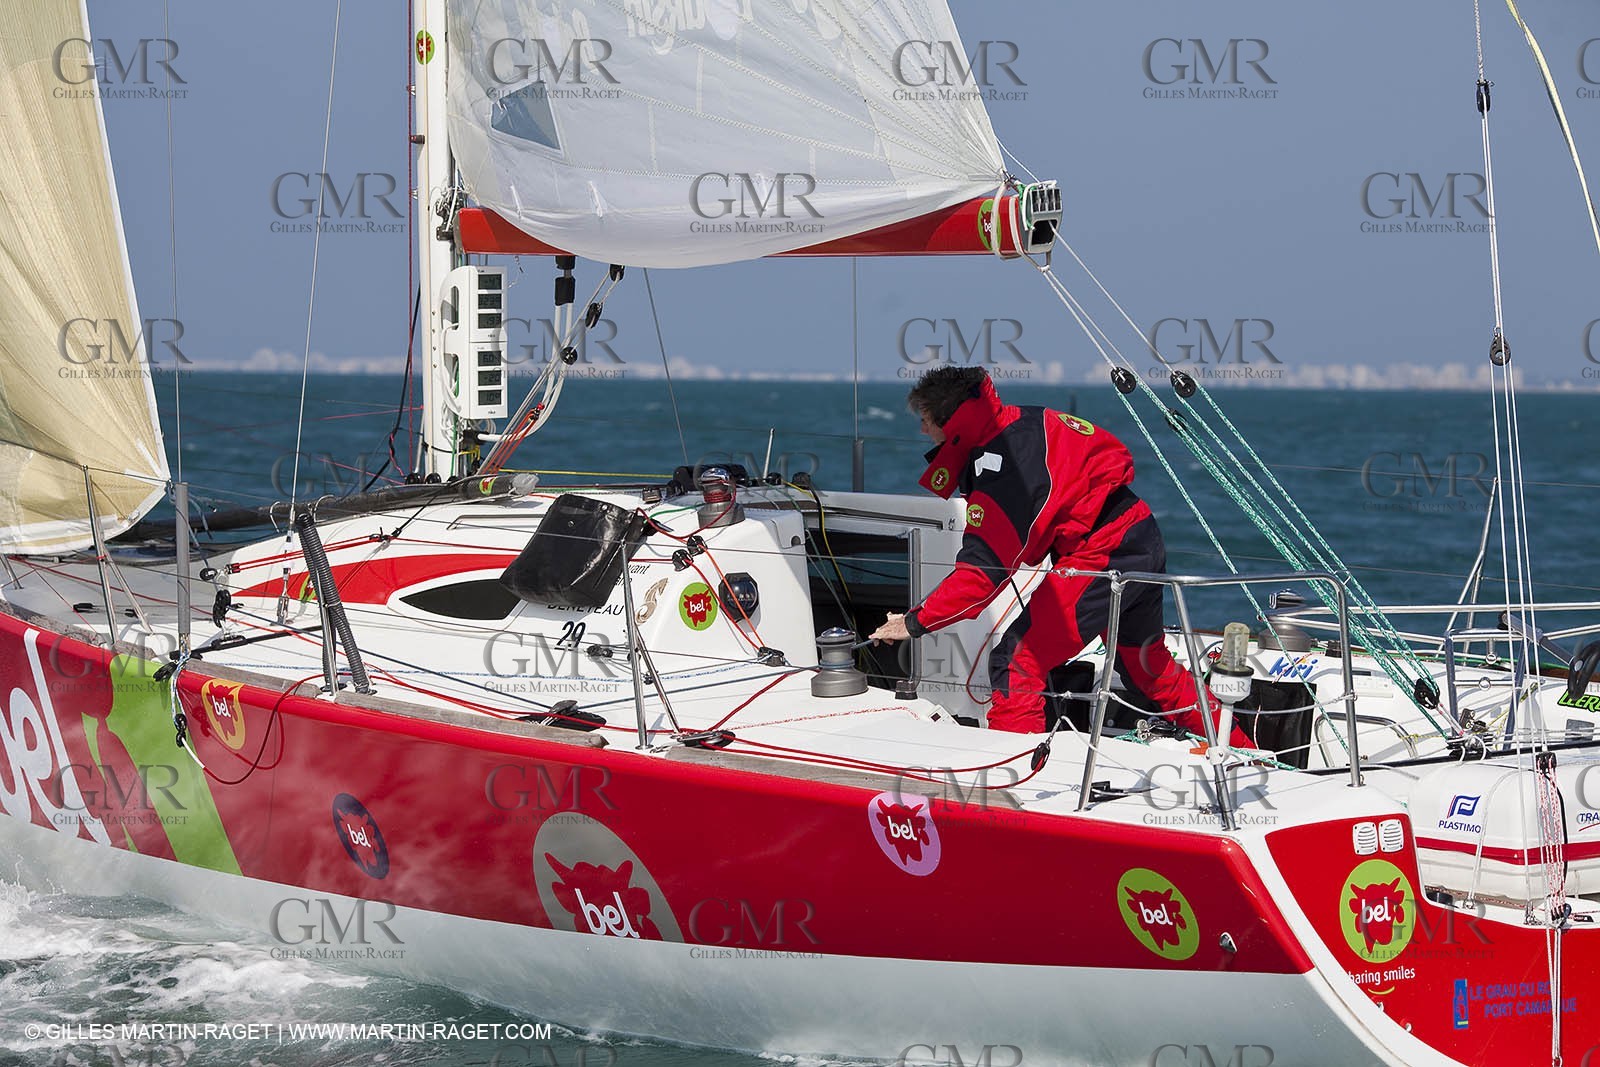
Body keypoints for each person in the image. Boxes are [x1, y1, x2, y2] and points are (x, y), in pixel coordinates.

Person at [870, 366, 1247, 744]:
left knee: (1016, 662)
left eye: (925, 421)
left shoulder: (1005, 471)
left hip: (1104, 552)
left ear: (951, 421)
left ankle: (1016, 778)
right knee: (1147, 668)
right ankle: (1246, 752)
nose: (922, 432)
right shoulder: (1021, 420)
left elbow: (984, 572)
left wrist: (915, 621)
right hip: (1137, 532)